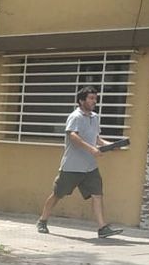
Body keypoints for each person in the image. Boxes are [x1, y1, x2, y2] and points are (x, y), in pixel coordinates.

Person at [38, 86, 124, 238]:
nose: (94, 101)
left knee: (97, 195)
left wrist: (110, 146)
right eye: (91, 98)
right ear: (81, 100)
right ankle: (42, 221)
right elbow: (73, 136)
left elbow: (97, 139)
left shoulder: (95, 117)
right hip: (72, 166)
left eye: (95, 98)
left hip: (90, 167)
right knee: (57, 194)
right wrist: (92, 150)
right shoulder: (75, 117)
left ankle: (102, 228)